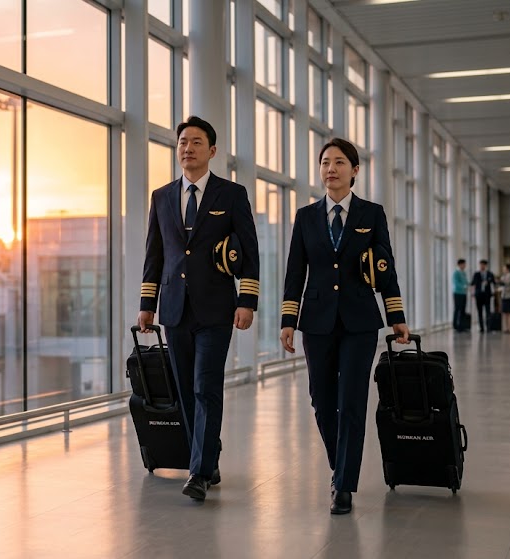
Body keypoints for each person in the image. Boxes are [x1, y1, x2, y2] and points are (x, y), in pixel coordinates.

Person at [278, 138, 409, 515]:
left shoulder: (372, 214)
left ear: (354, 170)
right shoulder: (305, 217)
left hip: (359, 322)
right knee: (322, 400)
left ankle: (345, 484)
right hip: (316, 322)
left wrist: (395, 316)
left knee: (352, 399)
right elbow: (294, 273)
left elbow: (386, 268)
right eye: (324, 162)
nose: (330, 168)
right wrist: (289, 321)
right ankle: (340, 464)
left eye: (338, 162)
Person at [138, 116, 260, 501]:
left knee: (207, 387)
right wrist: (147, 305)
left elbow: (251, 252)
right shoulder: (161, 196)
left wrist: (247, 301)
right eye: (182, 142)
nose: (187, 148)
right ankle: (207, 457)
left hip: (216, 309)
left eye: (195, 142)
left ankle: (200, 472)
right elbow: (154, 255)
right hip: (174, 309)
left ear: (212, 150)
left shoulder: (232, 194)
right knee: (186, 392)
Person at [470, 259, 496, 332]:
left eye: (483, 265)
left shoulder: (490, 274)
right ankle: (481, 328)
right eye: (481, 265)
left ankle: (488, 327)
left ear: (486, 265)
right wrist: (472, 293)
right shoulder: (476, 274)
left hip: (487, 295)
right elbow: (472, 283)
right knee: (480, 312)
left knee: (488, 311)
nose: (482, 266)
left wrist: (489, 282)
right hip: (478, 295)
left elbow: (494, 283)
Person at [498, 263, 510, 333]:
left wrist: (501, 281)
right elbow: (502, 284)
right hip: (504, 296)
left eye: (504, 268)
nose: (503, 269)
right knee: (505, 313)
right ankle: (506, 328)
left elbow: (507, 283)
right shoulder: (503, 276)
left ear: (508, 269)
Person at [452, 259, 469, 331]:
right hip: (457, 293)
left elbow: (466, 282)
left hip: (464, 293)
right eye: (464, 264)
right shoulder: (456, 273)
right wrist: (464, 286)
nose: (465, 266)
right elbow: (456, 283)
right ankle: (456, 325)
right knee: (457, 309)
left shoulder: (464, 273)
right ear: (460, 264)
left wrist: (469, 285)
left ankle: (462, 325)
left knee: (463, 309)